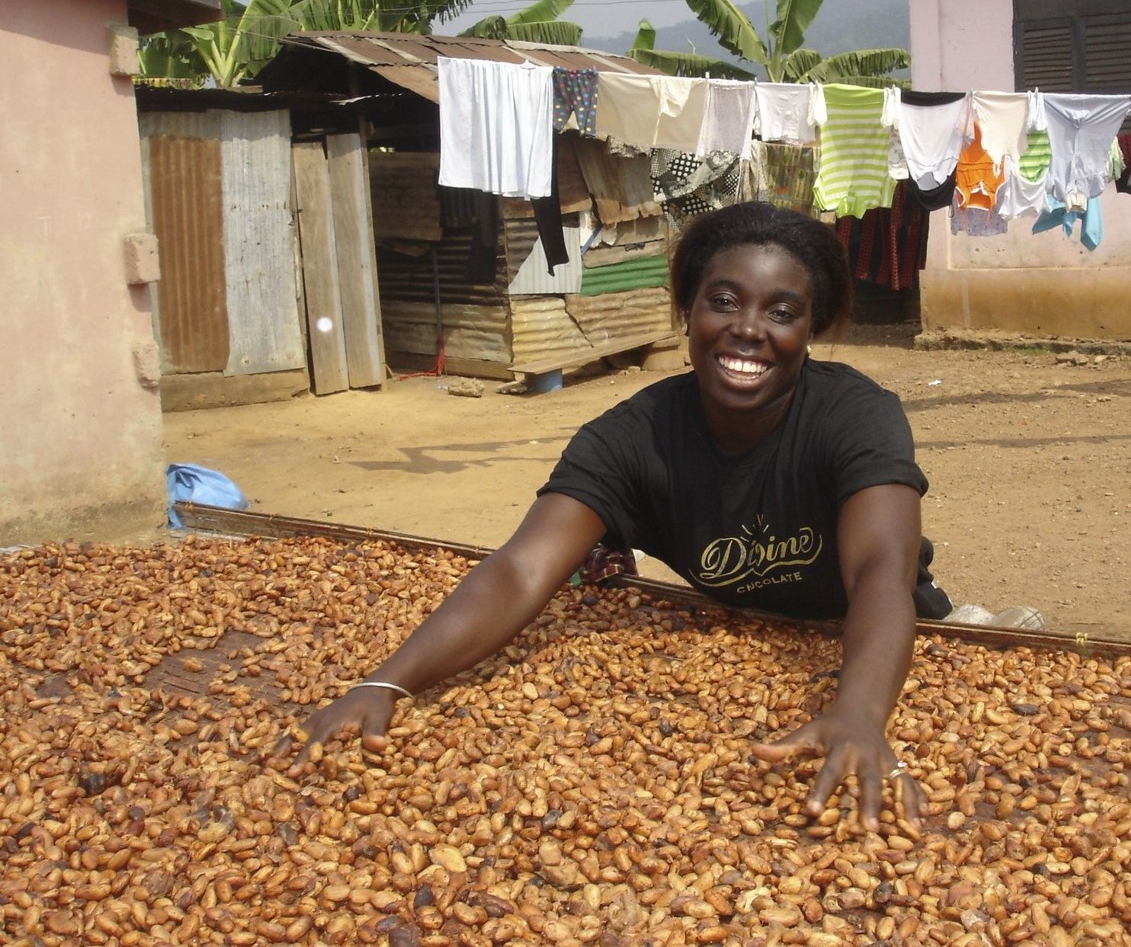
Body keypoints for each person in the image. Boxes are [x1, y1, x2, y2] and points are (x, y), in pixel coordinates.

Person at [289, 202, 951, 833]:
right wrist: (387, 682)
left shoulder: (856, 416)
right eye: (723, 301)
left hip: (871, 640)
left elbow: (877, 571)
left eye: (781, 312)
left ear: (811, 329)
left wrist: (860, 714)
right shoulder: (630, 438)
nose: (748, 328)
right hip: (734, 630)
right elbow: (522, 568)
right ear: (686, 309)